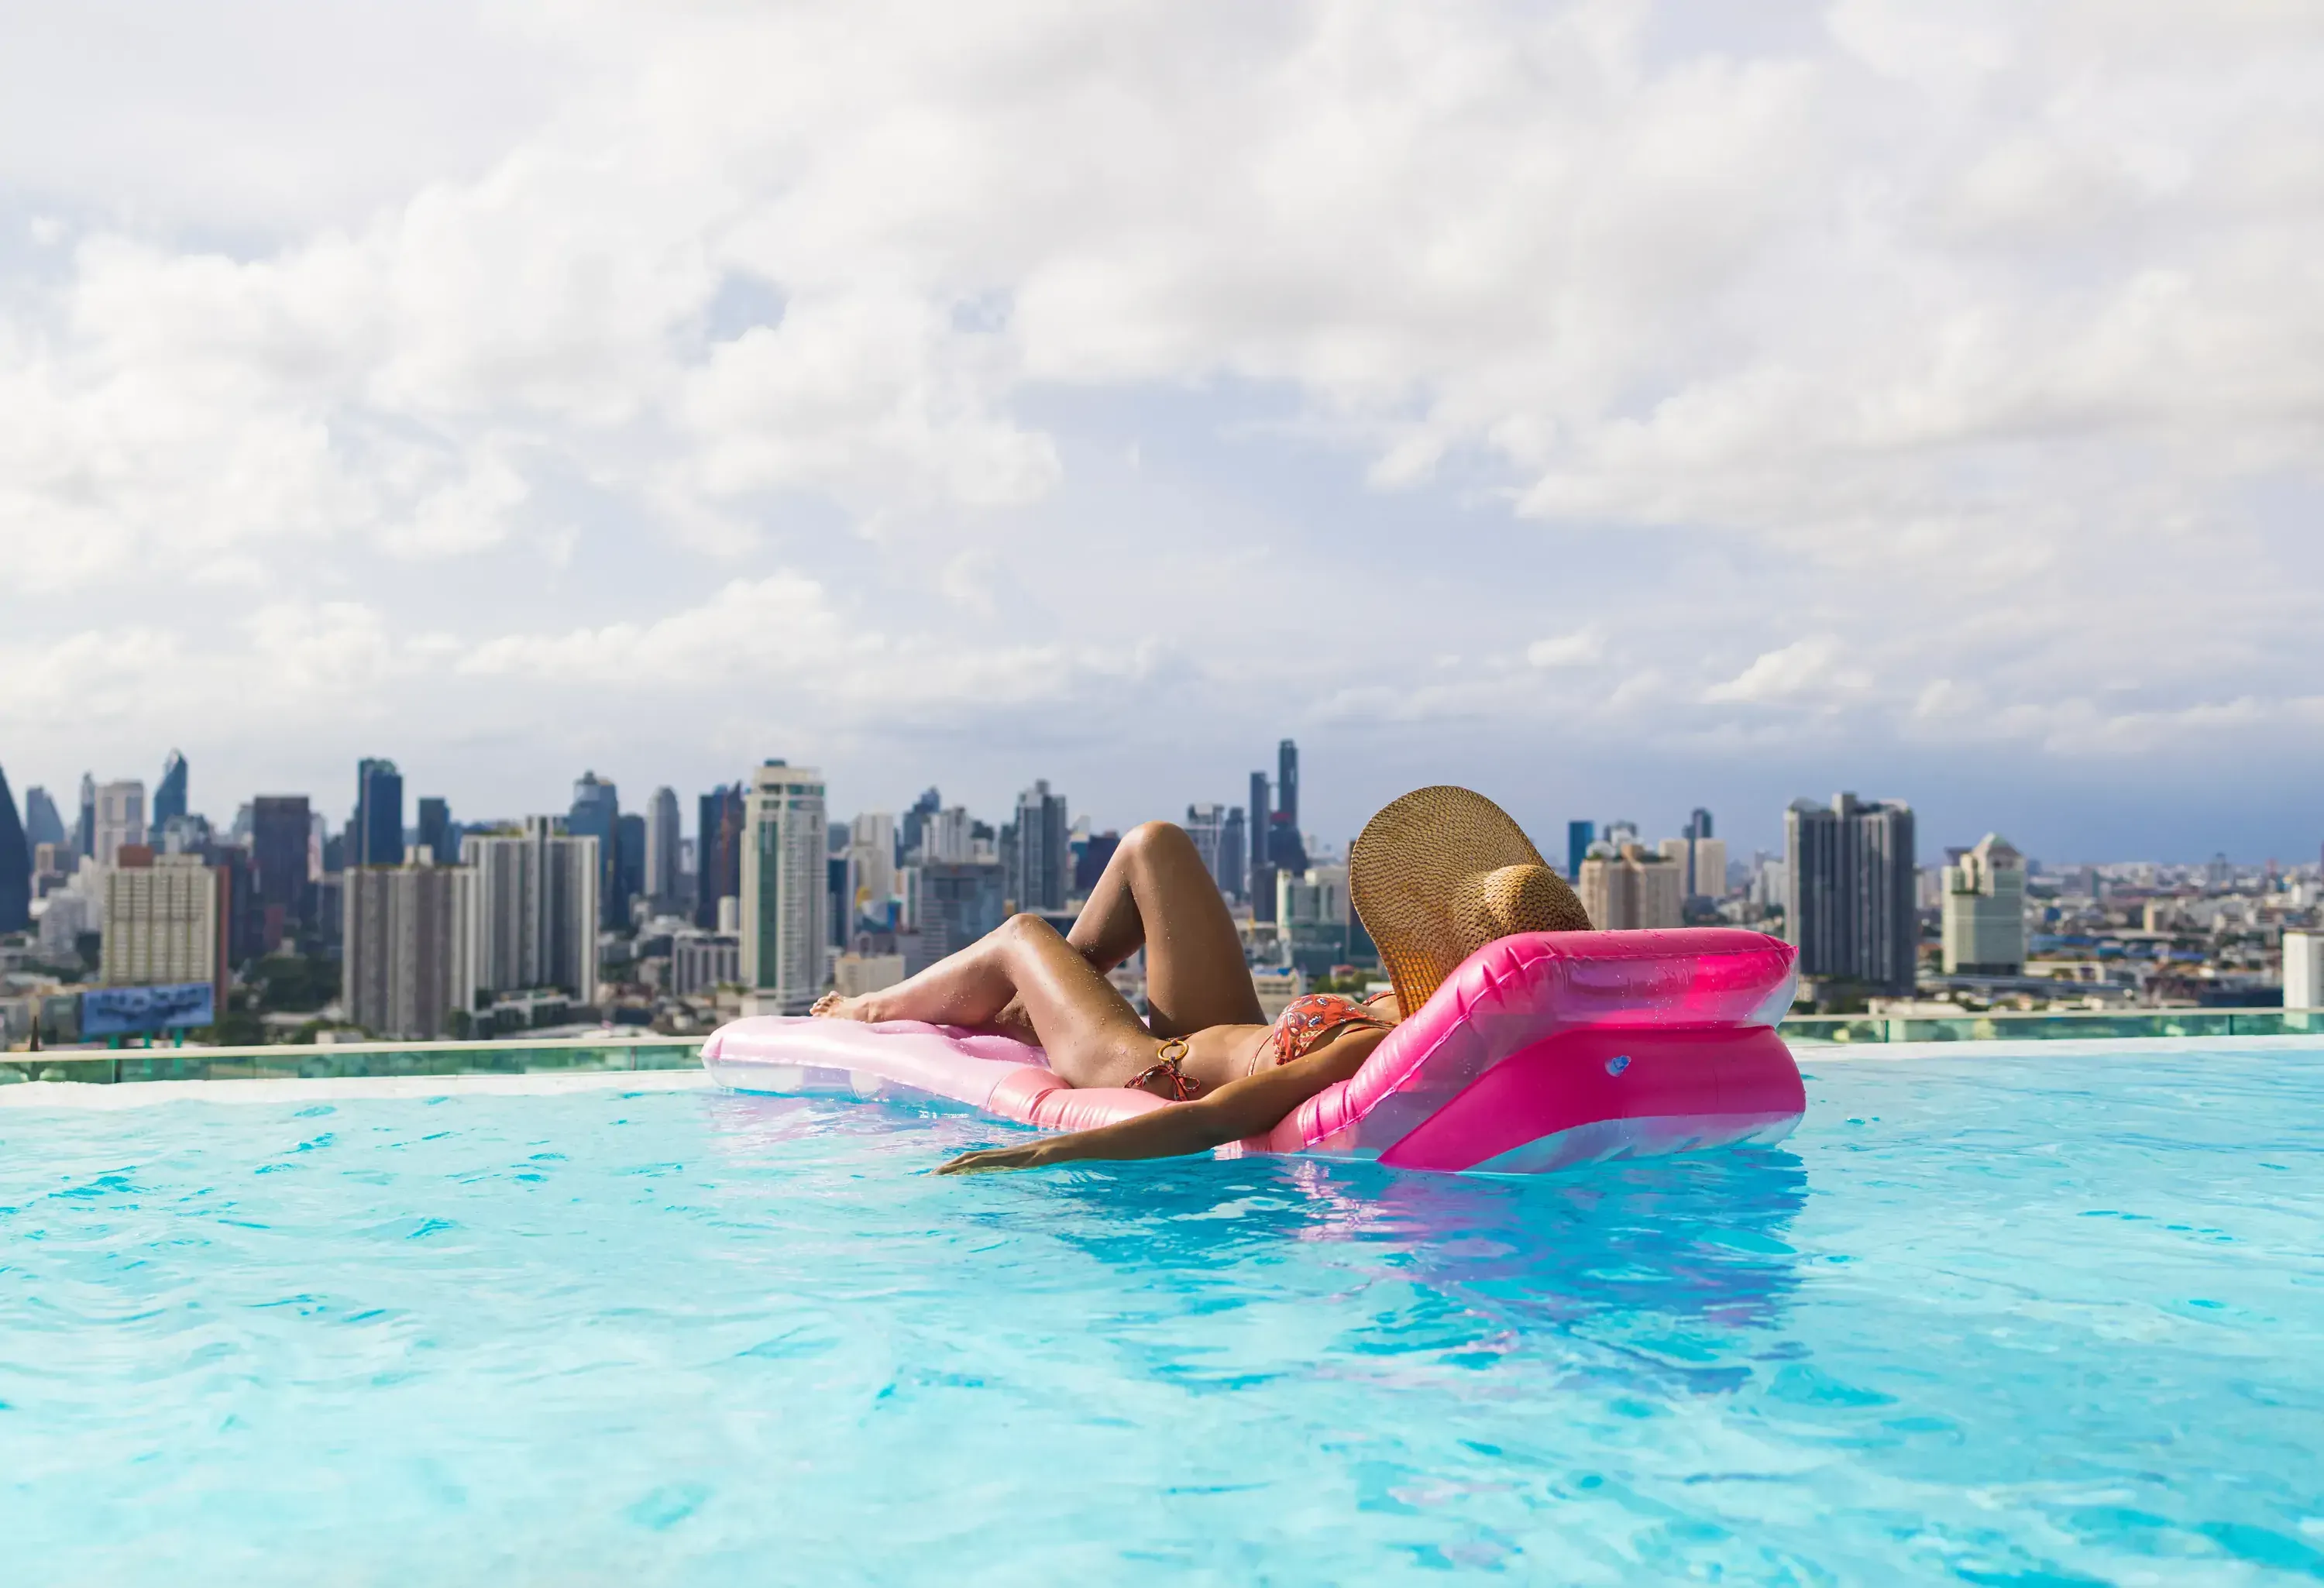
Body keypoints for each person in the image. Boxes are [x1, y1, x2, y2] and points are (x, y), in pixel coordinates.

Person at [809, 786, 1592, 1174]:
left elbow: (1214, 1120)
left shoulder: (1383, 1044)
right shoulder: (1412, 1007)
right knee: (1156, 845)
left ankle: (875, 1007)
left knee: (1023, 935)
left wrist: (1038, 1159)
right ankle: (1033, 1011)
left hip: (1157, 1073)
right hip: (1228, 1026)